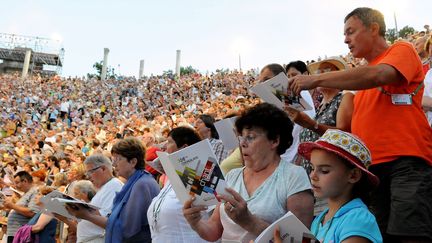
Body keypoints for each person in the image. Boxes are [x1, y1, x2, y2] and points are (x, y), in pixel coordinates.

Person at [289, 7, 432, 242]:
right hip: (370, 171)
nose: (345, 39)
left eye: (351, 31)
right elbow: (345, 132)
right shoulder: (357, 84)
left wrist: (314, 79)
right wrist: (310, 124)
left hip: (407, 162)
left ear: (373, 28)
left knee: (409, 234)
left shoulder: (400, 50)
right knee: (378, 236)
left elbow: (380, 74)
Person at [183, 103, 313, 242]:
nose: (242, 143)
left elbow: (299, 240)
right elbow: (214, 230)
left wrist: (248, 221)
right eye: (241, 137)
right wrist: (196, 222)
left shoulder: (293, 176)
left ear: (274, 140)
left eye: (250, 137)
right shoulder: (232, 176)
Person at [274, 129, 382, 243]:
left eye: (324, 171)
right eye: (312, 168)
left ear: (353, 175)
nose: (312, 176)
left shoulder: (358, 220)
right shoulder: (320, 220)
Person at [68, 138, 160, 243]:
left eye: (118, 159)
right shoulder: (135, 182)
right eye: (113, 159)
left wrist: (87, 215)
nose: (114, 164)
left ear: (133, 162)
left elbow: (127, 229)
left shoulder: (141, 184)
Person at [147, 126, 213, 243]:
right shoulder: (171, 179)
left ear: (184, 148)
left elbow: (213, 217)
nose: (163, 147)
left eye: (169, 142)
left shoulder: (198, 176)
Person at [68, 154, 124, 243]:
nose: (88, 176)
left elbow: (109, 223)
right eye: (87, 173)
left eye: (90, 172)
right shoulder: (104, 187)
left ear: (103, 169)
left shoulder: (114, 186)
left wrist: (85, 214)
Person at [3, 171, 40, 243]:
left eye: (17, 182)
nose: (15, 186)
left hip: (20, 234)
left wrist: (12, 205)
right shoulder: (27, 193)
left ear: (25, 181)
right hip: (16, 232)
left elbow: (31, 212)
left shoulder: (34, 192)